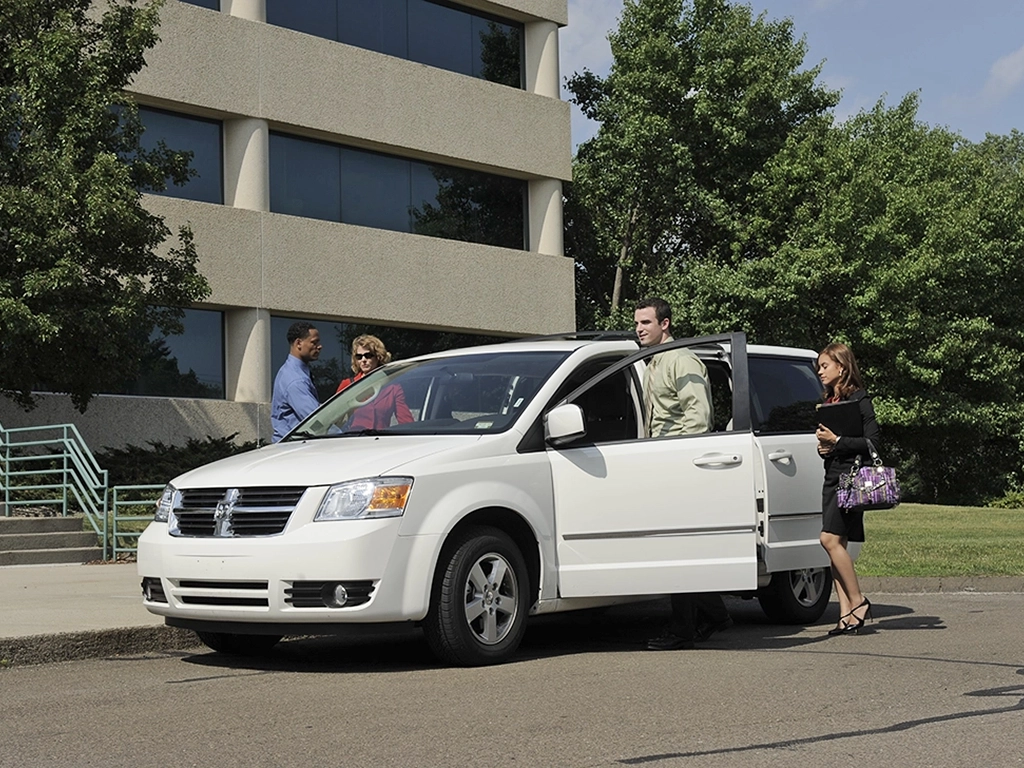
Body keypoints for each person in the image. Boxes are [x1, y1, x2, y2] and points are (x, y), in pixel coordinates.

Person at [634, 297, 733, 651]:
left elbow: (699, 415)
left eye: (646, 322)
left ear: (666, 324)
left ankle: (683, 627)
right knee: (673, 548)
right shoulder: (653, 361)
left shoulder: (681, 359)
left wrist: (680, 459)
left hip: (677, 464)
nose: (640, 329)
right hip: (660, 464)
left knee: (677, 549)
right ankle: (715, 615)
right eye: (637, 323)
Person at [815, 342, 879, 635]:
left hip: (851, 478)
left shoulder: (860, 400)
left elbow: (873, 443)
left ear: (841, 367)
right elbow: (832, 444)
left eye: (824, 366)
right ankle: (845, 615)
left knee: (828, 539)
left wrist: (838, 441)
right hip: (833, 474)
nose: (820, 371)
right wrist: (825, 448)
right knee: (835, 547)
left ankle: (858, 600)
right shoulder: (829, 402)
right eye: (819, 367)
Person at [336, 335, 413, 430]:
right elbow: (332, 420)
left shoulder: (393, 387)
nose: (363, 360)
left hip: (381, 441)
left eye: (368, 355)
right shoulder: (348, 384)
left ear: (378, 357)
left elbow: (406, 421)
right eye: (359, 357)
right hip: (354, 439)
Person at [270, 321, 322, 443]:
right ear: (299, 343)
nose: (319, 346)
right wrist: (344, 436)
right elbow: (317, 421)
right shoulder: (296, 380)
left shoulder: (292, 371)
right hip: (293, 448)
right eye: (314, 342)